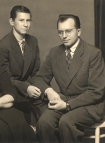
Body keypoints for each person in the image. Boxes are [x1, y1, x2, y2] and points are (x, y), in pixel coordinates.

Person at [32, 14, 105, 143]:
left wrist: (67, 105)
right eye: (60, 32)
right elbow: (39, 79)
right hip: (64, 101)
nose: (64, 36)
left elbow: (96, 92)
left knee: (66, 122)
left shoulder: (93, 54)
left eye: (68, 31)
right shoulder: (54, 52)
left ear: (79, 31)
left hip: (90, 105)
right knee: (44, 122)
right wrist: (49, 91)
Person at [0, 5, 47, 125]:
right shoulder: (2, 47)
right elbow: (4, 80)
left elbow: (36, 72)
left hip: (31, 92)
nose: (26, 24)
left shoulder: (33, 41)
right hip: (11, 95)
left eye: (28, 20)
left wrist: (38, 89)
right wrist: (26, 88)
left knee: (50, 116)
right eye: (21, 20)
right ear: (11, 21)